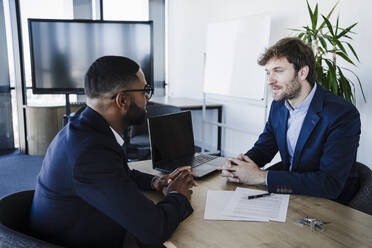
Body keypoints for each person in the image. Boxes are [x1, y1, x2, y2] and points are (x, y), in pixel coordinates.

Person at [29, 56, 197, 248]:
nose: (147, 99)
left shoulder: (84, 127)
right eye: (145, 92)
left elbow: (118, 173)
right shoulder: (90, 153)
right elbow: (155, 230)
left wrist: (155, 181)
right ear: (123, 100)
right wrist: (178, 195)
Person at [221, 37, 361, 204]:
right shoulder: (279, 106)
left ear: (302, 72)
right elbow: (264, 148)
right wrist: (237, 167)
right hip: (293, 195)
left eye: (278, 71)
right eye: (268, 72)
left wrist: (261, 177)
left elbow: (329, 184)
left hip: (330, 205)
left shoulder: (341, 114)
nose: (270, 81)